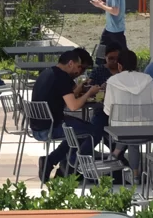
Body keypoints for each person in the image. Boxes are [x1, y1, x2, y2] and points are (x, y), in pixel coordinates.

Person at [29, 48, 102, 182]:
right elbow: (73, 106)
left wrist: (81, 88)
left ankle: (52, 161)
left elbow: (68, 95)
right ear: (70, 63)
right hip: (50, 128)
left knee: (79, 132)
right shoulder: (61, 77)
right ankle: (72, 165)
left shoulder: (47, 72)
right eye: (78, 66)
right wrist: (89, 93)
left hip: (38, 126)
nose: (78, 71)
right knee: (93, 132)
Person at [102, 49, 153, 128]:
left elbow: (108, 111)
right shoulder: (148, 80)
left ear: (119, 66)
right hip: (147, 130)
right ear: (136, 65)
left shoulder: (112, 81)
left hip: (120, 131)